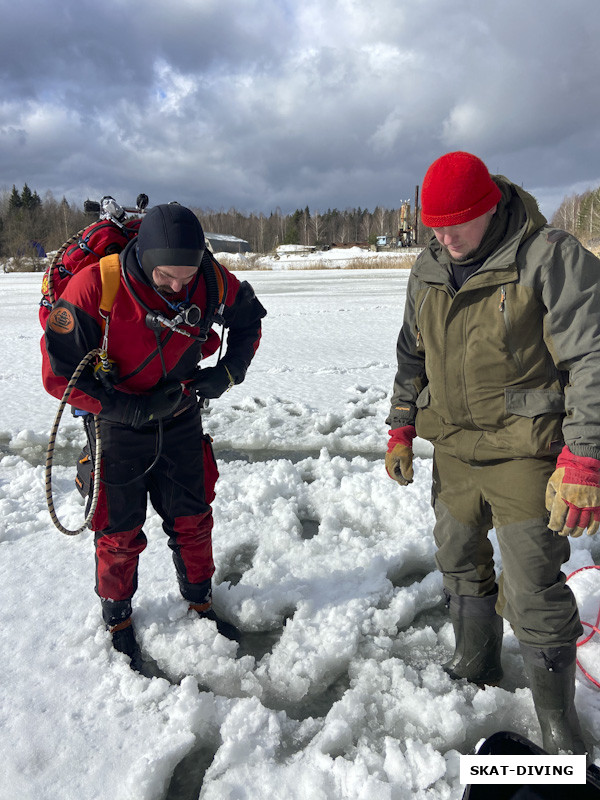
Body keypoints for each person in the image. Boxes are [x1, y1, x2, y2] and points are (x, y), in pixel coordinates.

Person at [385, 151, 600, 756]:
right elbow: (410, 354)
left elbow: (593, 357)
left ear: (489, 210)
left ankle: (558, 723)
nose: (444, 238)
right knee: (456, 556)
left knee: (532, 584)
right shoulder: (427, 268)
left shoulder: (548, 257)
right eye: (435, 227)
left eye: (456, 225)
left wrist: (584, 458)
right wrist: (402, 424)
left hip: (527, 452)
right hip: (453, 447)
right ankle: (475, 660)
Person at [41, 203, 266, 670]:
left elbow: (248, 320)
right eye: (167, 277)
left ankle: (199, 601)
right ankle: (118, 620)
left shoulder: (208, 279)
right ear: (143, 257)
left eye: (187, 276)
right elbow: (59, 377)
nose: (179, 287)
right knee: (118, 531)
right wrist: (131, 407)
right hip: (116, 423)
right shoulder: (93, 288)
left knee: (193, 517)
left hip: (181, 414)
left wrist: (227, 373)